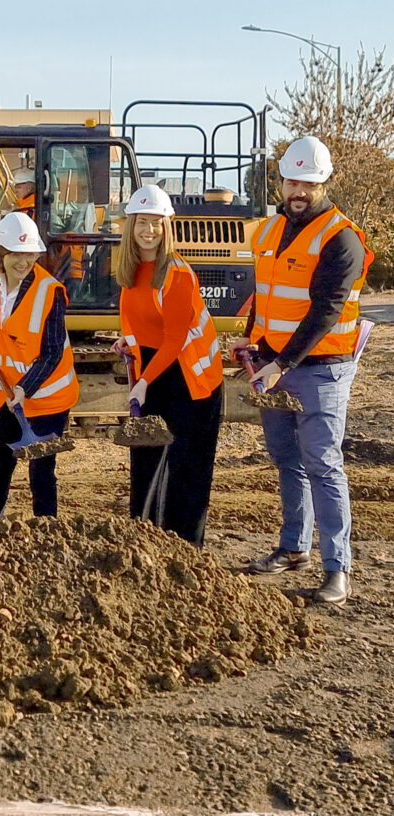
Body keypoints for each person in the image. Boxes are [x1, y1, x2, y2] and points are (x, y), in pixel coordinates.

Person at [233, 136, 372, 605]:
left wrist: (280, 364)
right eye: (292, 180)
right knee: (286, 458)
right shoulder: (270, 230)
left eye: (307, 183)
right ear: (282, 179)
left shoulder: (342, 238)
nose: (298, 190)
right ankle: (294, 548)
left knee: (324, 463)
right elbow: (267, 295)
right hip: (275, 365)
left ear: (323, 182)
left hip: (320, 369)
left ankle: (338, 569)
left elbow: (325, 311)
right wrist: (251, 339)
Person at [113, 185, 223, 547]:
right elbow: (141, 322)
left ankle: (187, 551)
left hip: (192, 382)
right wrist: (128, 343)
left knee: (186, 471)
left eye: (157, 224)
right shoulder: (131, 269)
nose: (149, 231)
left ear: (167, 228)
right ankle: (145, 542)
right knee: (145, 461)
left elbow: (175, 340)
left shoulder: (177, 273)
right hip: (156, 372)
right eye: (142, 222)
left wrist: (143, 382)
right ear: (131, 226)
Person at [0, 211, 78, 521]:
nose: (24, 261)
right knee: (1, 464)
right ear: (0, 253)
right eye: (16, 254)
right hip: (7, 392)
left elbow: (51, 353)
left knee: (42, 470)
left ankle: (47, 535)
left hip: (48, 396)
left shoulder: (50, 292)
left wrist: (24, 387)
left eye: (30, 253)